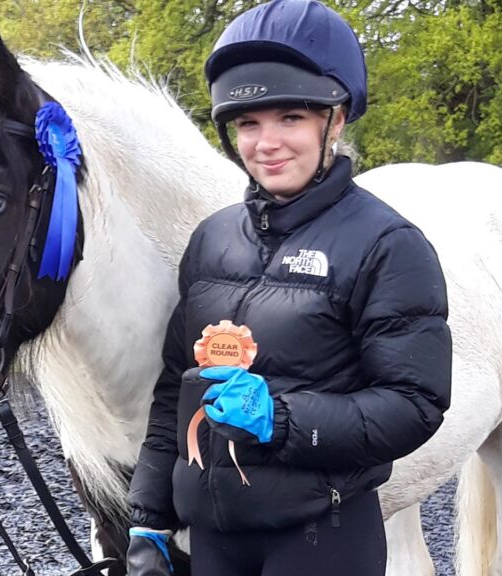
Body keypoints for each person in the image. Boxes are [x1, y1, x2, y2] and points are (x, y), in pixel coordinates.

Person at [123, 1, 453, 575]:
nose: (266, 143)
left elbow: (414, 404)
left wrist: (282, 419)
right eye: (248, 124)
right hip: (216, 536)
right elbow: (177, 386)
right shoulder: (211, 240)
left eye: (291, 118)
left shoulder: (388, 245)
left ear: (338, 118)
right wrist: (150, 512)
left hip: (321, 533)